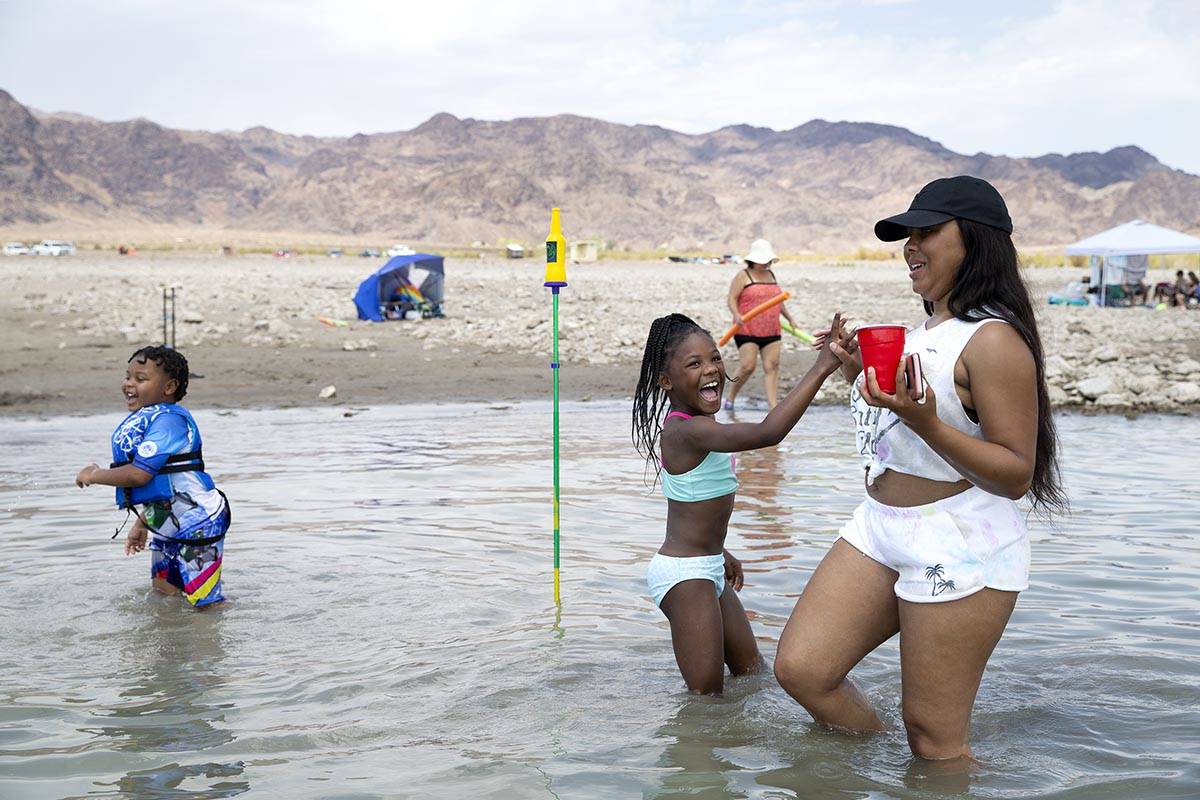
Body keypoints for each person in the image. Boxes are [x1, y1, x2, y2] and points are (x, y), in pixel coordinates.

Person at [774, 176, 1066, 762]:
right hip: (879, 526)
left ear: (976, 242)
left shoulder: (995, 342)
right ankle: (869, 764)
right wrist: (857, 370)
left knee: (933, 736)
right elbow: (900, 429)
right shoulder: (922, 333)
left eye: (927, 231)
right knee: (804, 670)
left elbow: (1015, 474)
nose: (910, 245)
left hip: (958, 538)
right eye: (907, 234)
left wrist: (927, 421)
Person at [632, 310, 846, 695]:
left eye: (715, 357)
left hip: (708, 563)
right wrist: (821, 367)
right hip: (684, 575)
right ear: (666, 381)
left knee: (752, 675)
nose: (711, 369)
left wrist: (720, 549)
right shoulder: (687, 430)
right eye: (694, 363)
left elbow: (688, 498)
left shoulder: (703, 424)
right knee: (706, 704)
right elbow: (769, 432)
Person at [75, 346, 230, 607]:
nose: (129, 384)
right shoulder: (150, 419)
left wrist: (94, 475)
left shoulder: (170, 421)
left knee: (206, 604)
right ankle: (171, 647)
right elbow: (169, 487)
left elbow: (139, 475)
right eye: (128, 377)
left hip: (199, 522)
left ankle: (211, 646)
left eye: (140, 379)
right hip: (167, 520)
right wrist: (142, 524)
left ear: (169, 387)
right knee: (163, 593)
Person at [723, 239, 799, 410]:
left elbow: (778, 301)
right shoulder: (743, 275)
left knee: (772, 366)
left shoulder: (771, 275)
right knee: (748, 365)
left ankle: (773, 406)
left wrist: (790, 319)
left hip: (771, 328)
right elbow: (732, 298)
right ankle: (730, 397)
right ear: (753, 259)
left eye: (768, 260)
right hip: (746, 328)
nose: (766, 263)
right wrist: (736, 314)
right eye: (763, 260)